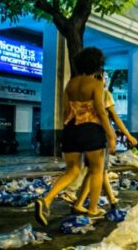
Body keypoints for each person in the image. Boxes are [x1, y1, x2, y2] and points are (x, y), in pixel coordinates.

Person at [35, 47, 116, 226]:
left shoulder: (70, 84)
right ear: (97, 64)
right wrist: (111, 135)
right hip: (91, 130)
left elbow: (66, 111)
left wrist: (67, 131)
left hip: (70, 129)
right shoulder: (95, 84)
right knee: (96, 170)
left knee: (72, 170)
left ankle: (46, 200)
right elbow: (101, 112)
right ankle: (93, 208)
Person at [72, 75, 138, 213]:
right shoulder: (104, 94)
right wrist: (128, 135)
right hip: (100, 137)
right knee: (96, 171)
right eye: (104, 77)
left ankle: (112, 200)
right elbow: (114, 117)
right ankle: (81, 204)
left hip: (86, 135)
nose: (105, 80)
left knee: (100, 171)